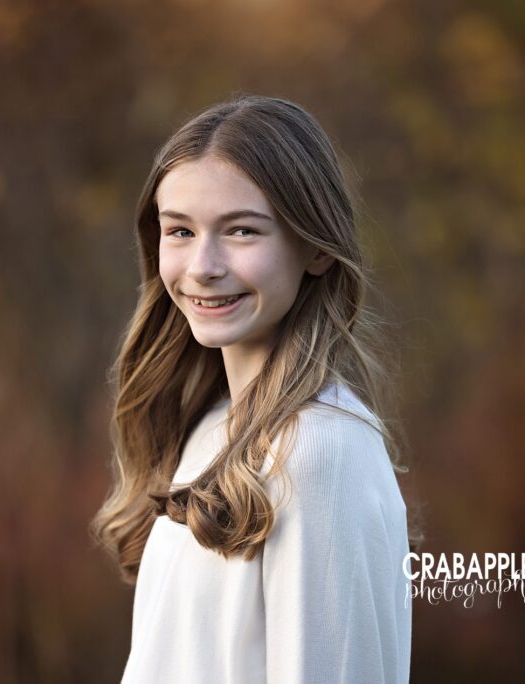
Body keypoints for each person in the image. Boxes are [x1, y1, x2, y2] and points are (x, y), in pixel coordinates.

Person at [93, 93, 414, 683]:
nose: (203, 266)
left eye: (241, 231)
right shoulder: (208, 431)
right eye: (180, 231)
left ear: (316, 247)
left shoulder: (321, 453)